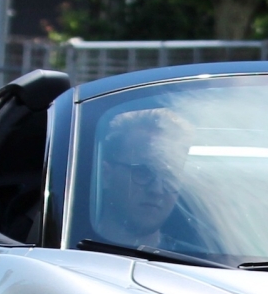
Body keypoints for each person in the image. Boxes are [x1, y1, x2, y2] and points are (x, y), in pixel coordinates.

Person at [89, 108, 210, 254]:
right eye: (143, 172)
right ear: (106, 175)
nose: (157, 190)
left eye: (169, 176)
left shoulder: (202, 264)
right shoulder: (66, 251)